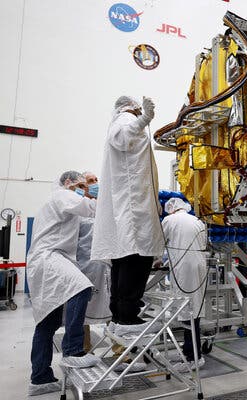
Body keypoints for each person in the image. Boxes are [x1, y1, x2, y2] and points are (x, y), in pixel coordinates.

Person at [92, 96, 164, 337]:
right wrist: (144, 119)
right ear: (132, 107)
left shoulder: (120, 121)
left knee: (123, 262)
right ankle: (127, 317)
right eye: (137, 109)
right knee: (136, 261)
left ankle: (120, 315)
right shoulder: (125, 120)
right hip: (134, 211)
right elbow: (123, 138)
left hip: (132, 210)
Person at [27, 171, 100, 396]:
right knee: (82, 286)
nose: (82, 189)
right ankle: (73, 350)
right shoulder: (61, 195)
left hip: (44, 261)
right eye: (79, 185)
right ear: (67, 183)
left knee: (47, 323)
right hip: (50, 257)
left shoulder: (59, 202)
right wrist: (98, 194)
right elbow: (91, 209)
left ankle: (40, 378)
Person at [161, 197, 207, 371]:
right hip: (199, 266)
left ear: (171, 209)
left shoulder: (169, 220)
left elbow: (159, 243)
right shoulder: (197, 220)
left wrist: (159, 260)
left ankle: (193, 357)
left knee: (187, 311)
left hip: (183, 268)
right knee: (194, 309)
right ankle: (189, 350)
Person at [76, 172, 111, 352]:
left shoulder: (104, 208)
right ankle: (85, 348)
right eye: (91, 181)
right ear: (83, 187)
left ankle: (120, 350)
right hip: (84, 267)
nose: (96, 183)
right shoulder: (78, 211)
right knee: (83, 310)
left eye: (97, 180)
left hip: (105, 265)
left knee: (112, 306)